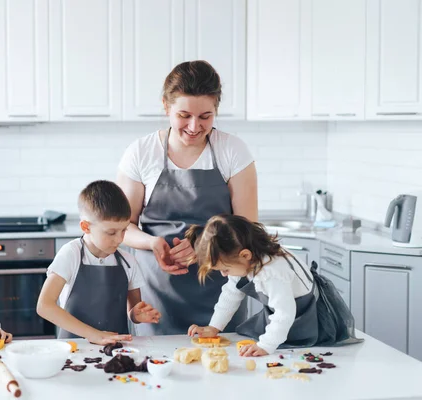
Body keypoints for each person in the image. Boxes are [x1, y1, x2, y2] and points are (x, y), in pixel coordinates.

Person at [116, 60, 257, 335]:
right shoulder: (141, 152)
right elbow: (121, 227)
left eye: (205, 116)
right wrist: (153, 242)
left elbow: (249, 227)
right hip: (155, 294)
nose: (194, 126)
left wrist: (204, 245)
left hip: (222, 293)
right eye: (184, 115)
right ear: (166, 107)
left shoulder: (233, 151)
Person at [186, 214, 363, 356]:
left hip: (305, 317)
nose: (224, 275)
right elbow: (230, 293)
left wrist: (266, 346)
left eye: (225, 269)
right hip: (284, 313)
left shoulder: (273, 271)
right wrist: (214, 327)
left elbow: (285, 313)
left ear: (245, 255)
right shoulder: (246, 259)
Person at [37, 180, 161, 345]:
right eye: (111, 232)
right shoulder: (71, 254)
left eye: (123, 230)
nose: (119, 239)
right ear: (86, 227)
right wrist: (94, 334)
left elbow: (132, 309)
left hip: (116, 349)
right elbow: (44, 305)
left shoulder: (128, 261)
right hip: (74, 350)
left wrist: (136, 315)